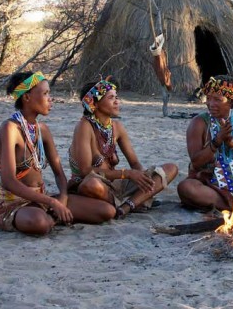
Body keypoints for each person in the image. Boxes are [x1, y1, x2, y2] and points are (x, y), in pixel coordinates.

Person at [0, 71, 112, 235]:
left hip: (42, 199)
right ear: (27, 97)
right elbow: (8, 181)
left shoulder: (42, 130)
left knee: (106, 211)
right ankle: (48, 218)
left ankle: (51, 217)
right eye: (45, 93)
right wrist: (52, 203)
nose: (50, 99)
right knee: (40, 223)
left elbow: (59, 174)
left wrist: (62, 198)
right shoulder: (10, 128)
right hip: (14, 203)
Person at [68, 77, 178, 218]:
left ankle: (125, 207)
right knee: (92, 184)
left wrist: (144, 180)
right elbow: (85, 171)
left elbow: (135, 163)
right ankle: (135, 202)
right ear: (95, 104)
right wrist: (127, 174)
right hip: (97, 186)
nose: (116, 102)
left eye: (117, 97)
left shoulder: (117, 127)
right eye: (111, 98)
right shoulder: (84, 127)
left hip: (117, 185)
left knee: (170, 169)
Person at [177, 75, 233, 211]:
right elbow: (196, 163)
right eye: (208, 98)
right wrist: (217, 141)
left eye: (217, 100)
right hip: (208, 181)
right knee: (186, 188)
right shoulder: (199, 123)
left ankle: (231, 204)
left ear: (231, 102)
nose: (210, 103)